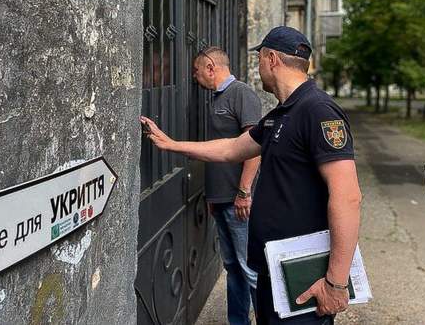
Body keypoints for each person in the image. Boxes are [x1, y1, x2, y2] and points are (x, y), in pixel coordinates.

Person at [141, 26, 362, 325]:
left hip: (302, 274)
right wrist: (172, 144)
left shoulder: (318, 110)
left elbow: (348, 197)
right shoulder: (281, 114)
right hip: (273, 268)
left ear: (271, 59)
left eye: (260, 59)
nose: (258, 68)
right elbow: (232, 148)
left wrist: (335, 284)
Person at [192, 46, 262, 325]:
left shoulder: (241, 94)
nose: (196, 78)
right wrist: (213, 195)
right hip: (221, 199)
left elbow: (254, 147)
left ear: (211, 67)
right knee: (233, 267)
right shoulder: (216, 98)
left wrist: (244, 192)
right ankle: (238, 322)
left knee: (250, 268)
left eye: (197, 72)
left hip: (238, 201)